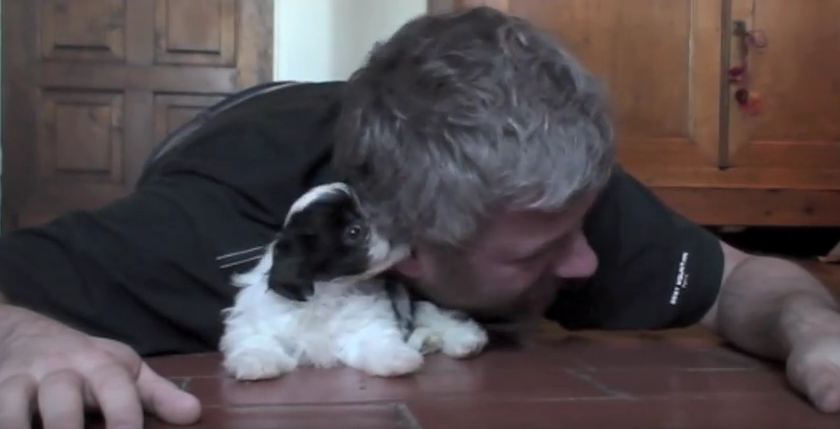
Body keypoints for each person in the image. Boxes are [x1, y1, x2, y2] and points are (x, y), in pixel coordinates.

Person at [1, 7, 839, 429]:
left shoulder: (555, 193)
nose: (588, 262)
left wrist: (813, 327)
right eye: (546, 249)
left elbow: (748, 278)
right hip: (243, 133)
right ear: (403, 251)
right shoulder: (204, 237)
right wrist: (20, 335)